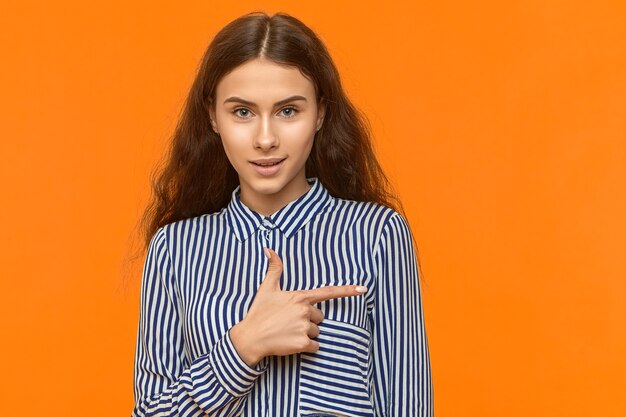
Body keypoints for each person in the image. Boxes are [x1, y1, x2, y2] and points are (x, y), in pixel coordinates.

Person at [132, 11, 433, 417]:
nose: (266, 139)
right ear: (212, 116)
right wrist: (244, 346)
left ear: (320, 114)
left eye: (288, 111)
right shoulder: (174, 248)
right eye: (242, 112)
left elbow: (408, 407)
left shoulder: (377, 235)